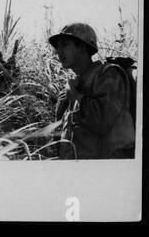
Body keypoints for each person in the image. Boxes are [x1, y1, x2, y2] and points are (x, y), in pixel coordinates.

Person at [49, 23, 135, 159]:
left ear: (83, 47)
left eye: (64, 45)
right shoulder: (71, 87)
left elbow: (103, 120)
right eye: (57, 46)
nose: (58, 51)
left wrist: (75, 96)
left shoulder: (109, 75)